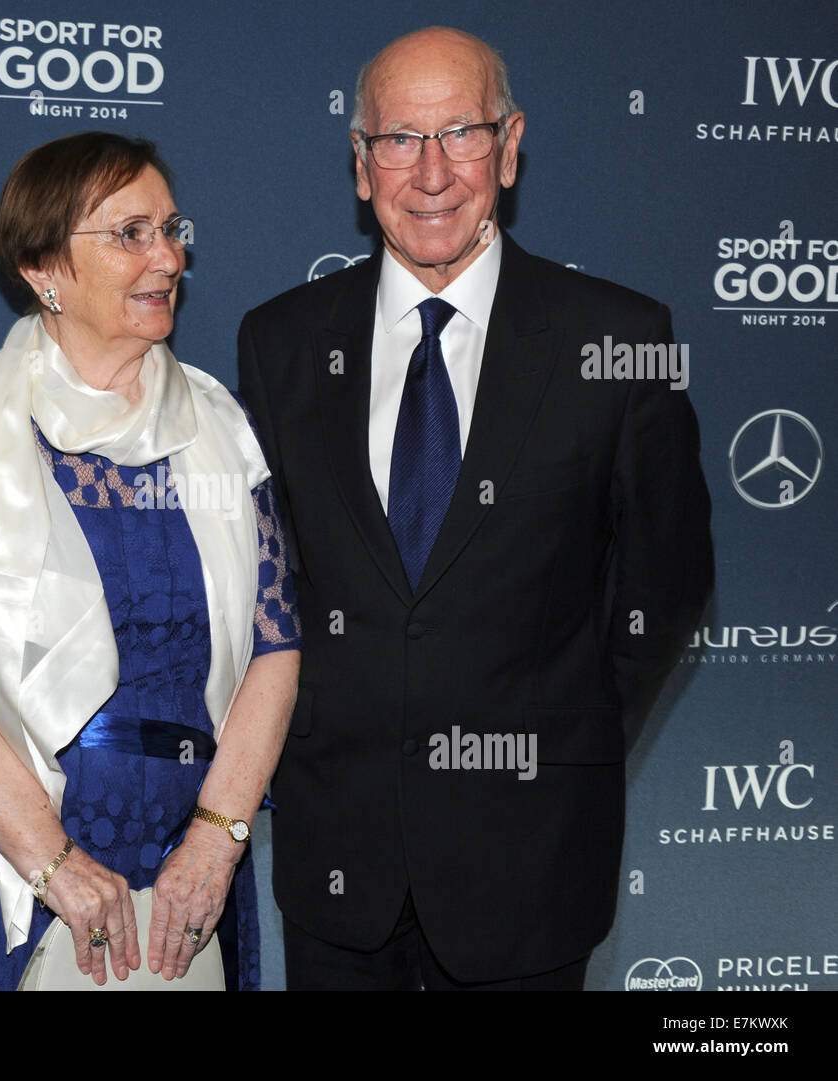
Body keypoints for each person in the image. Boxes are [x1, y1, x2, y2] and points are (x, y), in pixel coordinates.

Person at [237, 27, 713, 990]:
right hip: (338, 863)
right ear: (361, 165)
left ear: (511, 142)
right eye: (399, 140)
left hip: (533, 861)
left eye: (461, 132)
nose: (432, 172)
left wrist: (557, 736)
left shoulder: (625, 337)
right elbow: (267, 582)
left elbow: (667, 581)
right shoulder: (279, 342)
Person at [0, 132, 300, 991]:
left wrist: (217, 843)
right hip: (11, 858)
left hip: (193, 862)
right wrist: (53, 862)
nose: (171, 256)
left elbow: (275, 647)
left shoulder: (222, 429)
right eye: (131, 233)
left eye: (171, 228)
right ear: (43, 267)